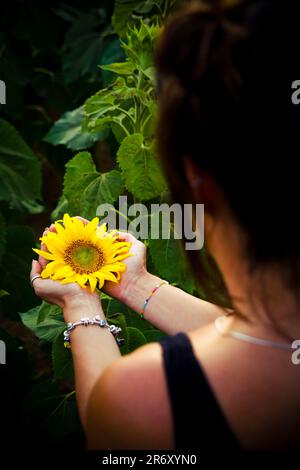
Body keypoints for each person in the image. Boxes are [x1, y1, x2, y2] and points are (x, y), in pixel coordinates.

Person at [30, 0, 300, 450]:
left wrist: (81, 310)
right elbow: (264, 337)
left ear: (199, 184)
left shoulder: (155, 397)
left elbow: (107, 419)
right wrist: (136, 284)